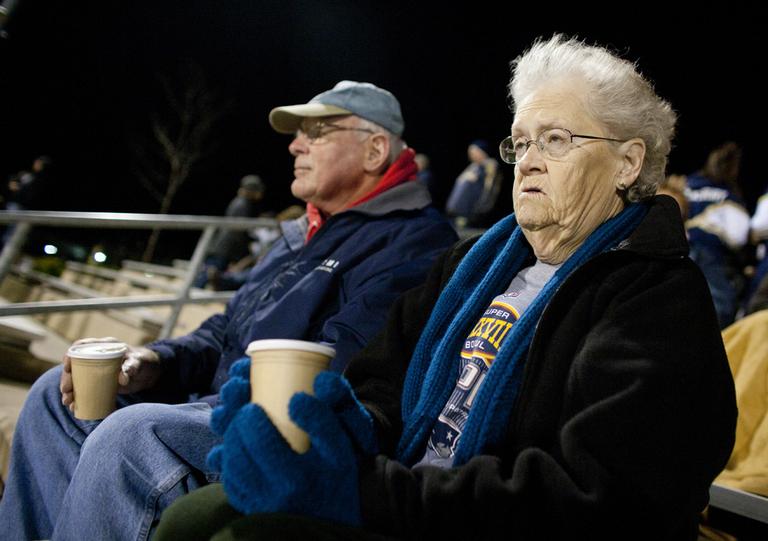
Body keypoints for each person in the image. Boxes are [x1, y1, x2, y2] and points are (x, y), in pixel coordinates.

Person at [156, 35, 737, 541]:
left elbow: (600, 500)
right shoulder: (470, 266)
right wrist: (336, 424)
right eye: (521, 142)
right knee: (193, 517)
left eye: (556, 140)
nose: (528, 162)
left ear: (627, 163)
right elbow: (382, 385)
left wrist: (366, 494)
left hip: (458, 523)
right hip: (408, 499)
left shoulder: (657, 297)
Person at [0, 80, 458, 541]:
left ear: (375, 150)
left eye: (316, 132)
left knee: (130, 435)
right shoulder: (303, 232)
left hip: (266, 428)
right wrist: (155, 362)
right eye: (298, 133)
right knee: (53, 397)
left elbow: (338, 376)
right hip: (211, 404)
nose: (296, 144)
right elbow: (223, 330)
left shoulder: (415, 244)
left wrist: (203, 407)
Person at [684, 142, 750, 328]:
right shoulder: (728, 196)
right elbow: (738, 236)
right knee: (721, 311)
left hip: (679, 251)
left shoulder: (687, 185)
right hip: (712, 258)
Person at [193, 174, 267, 288]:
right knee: (208, 273)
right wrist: (250, 240)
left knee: (213, 273)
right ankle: (193, 292)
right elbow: (239, 228)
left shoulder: (240, 202)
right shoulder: (243, 204)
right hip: (225, 246)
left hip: (224, 246)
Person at [445, 139, 502, 228]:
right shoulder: (473, 167)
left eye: (474, 151)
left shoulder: (490, 165)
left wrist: (480, 210)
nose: (471, 154)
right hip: (457, 214)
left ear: (482, 151)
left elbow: (489, 189)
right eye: (470, 152)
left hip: (471, 215)